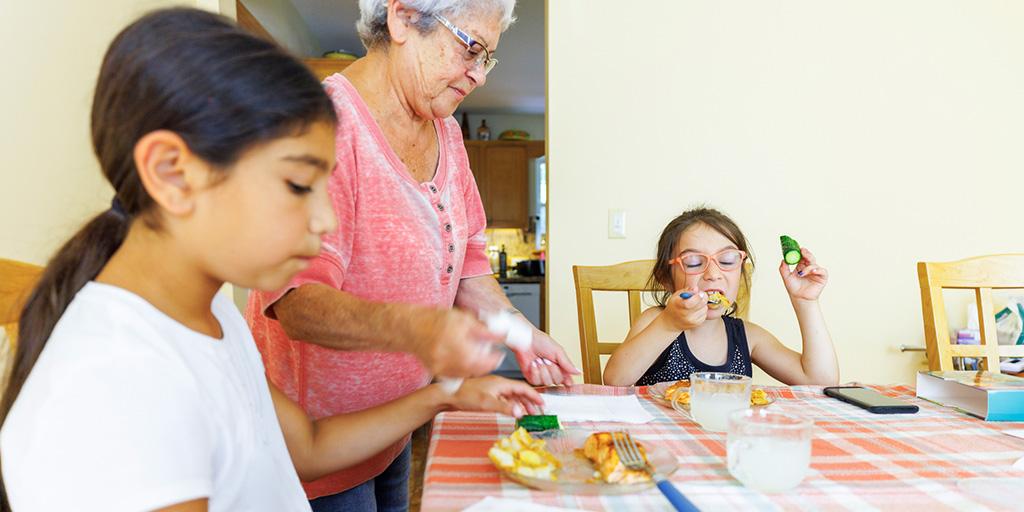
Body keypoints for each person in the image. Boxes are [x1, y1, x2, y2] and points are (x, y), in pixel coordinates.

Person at [0, 9, 542, 512]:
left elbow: (307, 445)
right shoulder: (115, 386)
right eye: (298, 184)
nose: (327, 221)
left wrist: (445, 394)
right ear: (171, 172)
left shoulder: (213, 322)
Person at [246, 1, 577, 508]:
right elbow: (297, 301)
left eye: (488, 58)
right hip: (317, 451)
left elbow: (467, 269)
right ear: (401, 19)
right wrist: (423, 330)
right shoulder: (322, 124)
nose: (479, 76)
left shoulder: (446, 131)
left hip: (397, 427)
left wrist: (521, 334)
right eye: (471, 48)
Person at [602, 207, 839, 387]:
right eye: (694, 263)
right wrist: (669, 324)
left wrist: (805, 302)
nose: (713, 274)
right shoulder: (656, 321)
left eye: (727, 261)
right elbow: (614, 380)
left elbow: (821, 381)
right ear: (666, 277)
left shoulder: (747, 336)